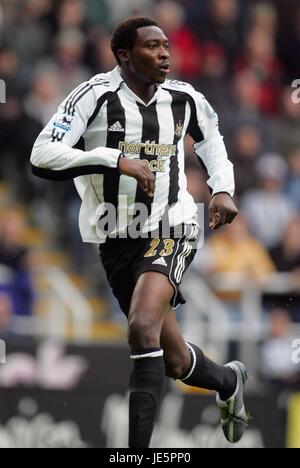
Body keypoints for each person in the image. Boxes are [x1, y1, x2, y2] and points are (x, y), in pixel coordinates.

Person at [30, 17, 249, 448]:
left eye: (167, 46)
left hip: (173, 224)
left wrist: (223, 188)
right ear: (124, 55)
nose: (165, 53)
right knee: (171, 358)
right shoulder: (94, 96)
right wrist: (114, 159)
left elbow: (212, 141)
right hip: (114, 236)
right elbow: (42, 154)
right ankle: (228, 380)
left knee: (141, 327)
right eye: (152, 47)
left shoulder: (184, 100)